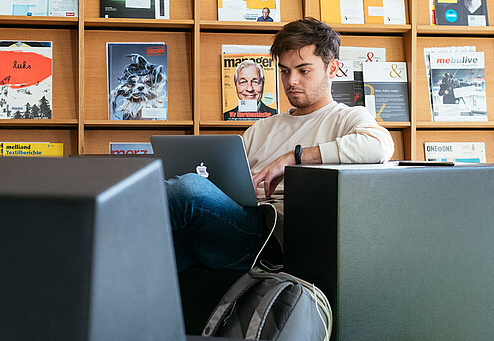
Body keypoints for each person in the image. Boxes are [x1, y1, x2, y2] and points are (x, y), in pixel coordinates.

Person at [165, 17, 394, 271]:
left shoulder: (346, 117)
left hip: (271, 236)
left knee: (186, 190)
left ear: (332, 69)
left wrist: (293, 158)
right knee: (168, 245)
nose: (291, 81)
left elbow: (379, 146)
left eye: (303, 70)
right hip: (233, 220)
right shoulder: (263, 127)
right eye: (285, 71)